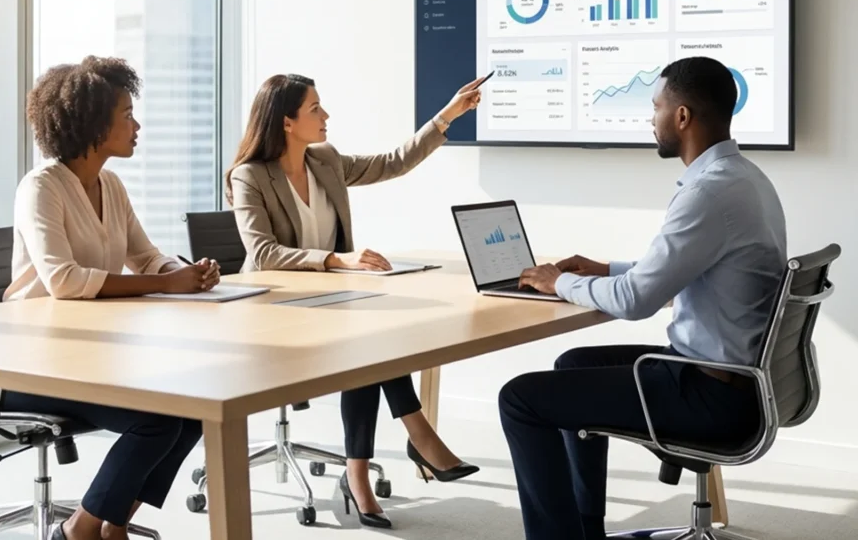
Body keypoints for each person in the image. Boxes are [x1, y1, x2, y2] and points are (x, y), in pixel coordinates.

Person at [499, 56, 786, 540]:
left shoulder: (709, 193)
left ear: (681, 117)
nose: (650, 119)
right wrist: (602, 269)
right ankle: (588, 529)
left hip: (711, 394)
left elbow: (636, 301)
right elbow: (686, 267)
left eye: (655, 107)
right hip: (734, 379)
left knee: (520, 400)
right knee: (572, 363)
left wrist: (558, 283)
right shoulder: (746, 178)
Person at [226, 72, 485, 528]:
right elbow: (262, 252)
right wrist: (336, 260)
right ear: (287, 122)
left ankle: (362, 474)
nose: (326, 116)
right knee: (368, 339)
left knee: (372, 339)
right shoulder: (250, 176)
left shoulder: (323, 159)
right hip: (273, 311)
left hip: (334, 304)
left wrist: (449, 114)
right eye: (315, 109)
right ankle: (415, 436)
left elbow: (392, 162)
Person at [3, 56, 220, 540]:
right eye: (126, 114)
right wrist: (167, 284)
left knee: (191, 414)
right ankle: (86, 530)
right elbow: (63, 279)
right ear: (94, 123)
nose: (136, 124)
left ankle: (105, 524)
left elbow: (146, 257)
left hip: (89, 355)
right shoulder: (41, 188)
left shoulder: (111, 185)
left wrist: (185, 273)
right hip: (30, 362)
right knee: (159, 422)